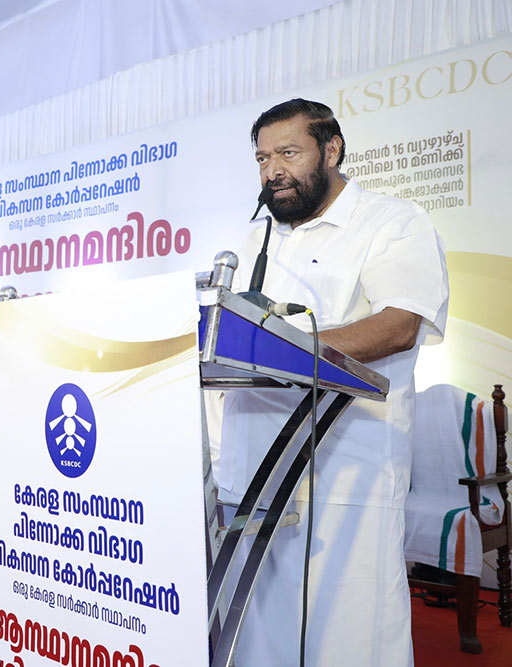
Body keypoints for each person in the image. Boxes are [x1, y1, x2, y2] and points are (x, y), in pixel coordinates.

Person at [215, 98, 448, 666]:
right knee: (257, 637)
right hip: (252, 475)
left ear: (332, 150)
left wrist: (282, 348)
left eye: (288, 153)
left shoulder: (393, 222)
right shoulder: (253, 241)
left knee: (348, 638)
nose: (273, 170)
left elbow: (400, 324)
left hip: (345, 475)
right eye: (263, 158)